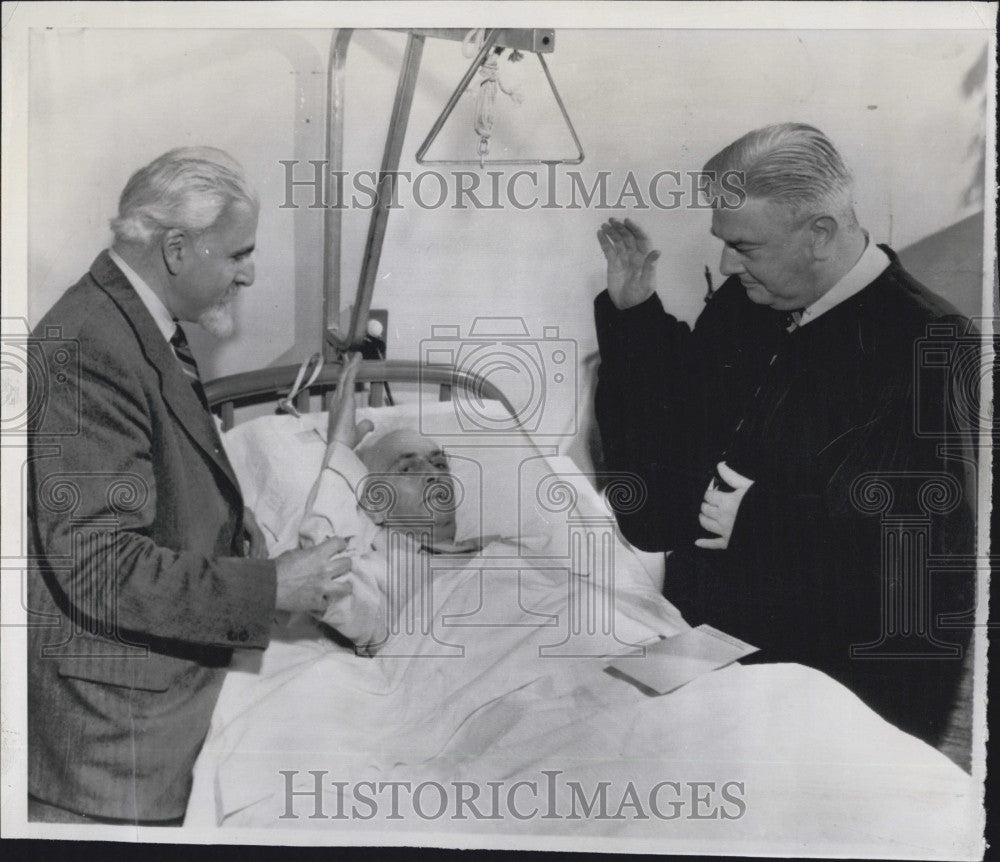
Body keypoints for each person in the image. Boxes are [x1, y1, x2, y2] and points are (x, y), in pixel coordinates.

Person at [593, 123, 977, 749]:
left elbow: (921, 565)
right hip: (710, 639)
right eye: (723, 242)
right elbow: (681, 417)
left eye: (744, 245)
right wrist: (634, 315)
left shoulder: (927, 343)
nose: (725, 263)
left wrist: (756, 514)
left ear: (819, 235)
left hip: (834, 681)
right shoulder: (752, 300)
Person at [27, 147, 353, 824]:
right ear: (177, 249)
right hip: (114, 732)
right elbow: (97, 565)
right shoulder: (91, 348)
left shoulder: (135, 325)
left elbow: (172, 492)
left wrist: (257, 557)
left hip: (162, 673)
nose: (251, 273)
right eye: (238, 254)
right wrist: (269, 590)